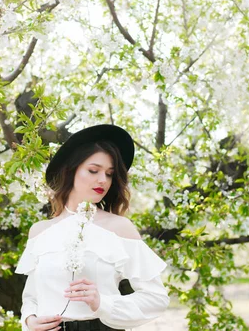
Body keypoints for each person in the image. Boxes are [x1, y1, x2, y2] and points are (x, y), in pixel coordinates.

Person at [15, 124, 170, 331]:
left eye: (109, 174)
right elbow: (32, 296)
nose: (102, 180)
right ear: (70, 170)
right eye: (93, 170)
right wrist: (29, 321)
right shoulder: (40, 231)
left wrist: (102, 303)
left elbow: (156, 298)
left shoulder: (119, 228)